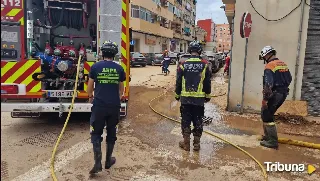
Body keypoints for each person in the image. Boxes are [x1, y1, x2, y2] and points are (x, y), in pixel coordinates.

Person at [87, 41, 126, 174]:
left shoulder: (95, 67)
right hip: (114, 106)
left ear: (102, 53)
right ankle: (108, 161)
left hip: (99, 106)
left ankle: (98, 163)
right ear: (114, 54)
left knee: (96, 133)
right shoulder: (119, 68)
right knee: (111, 132)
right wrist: (118, 98)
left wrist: (90, 97)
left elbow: (90, 87)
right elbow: (121, 89)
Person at [175, 41, 212, 151]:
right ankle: (196, 144)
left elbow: (178, 82)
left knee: (186, 120)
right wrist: (207, 95)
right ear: (199, 51)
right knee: (198, 120)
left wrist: (177, 95)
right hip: (199, 100)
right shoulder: (205, 64)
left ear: (189, 51)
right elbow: (207, 82)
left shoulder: (182, 64)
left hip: (185, 99)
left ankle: (186, 144)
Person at [259, 46, 292, 149]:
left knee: (266, 115)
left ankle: (272, 141)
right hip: (283, 93)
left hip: (274, 94)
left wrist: (265, 100)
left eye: (264, 57)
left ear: (267, 55)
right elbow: (289, 78)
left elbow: (268, 86)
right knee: (269, 114)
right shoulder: (283, 64)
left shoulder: (270, 66)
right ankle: (268, 137)